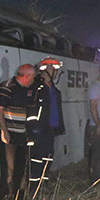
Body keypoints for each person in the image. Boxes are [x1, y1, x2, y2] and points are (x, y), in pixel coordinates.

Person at [0, 64, 36, 200]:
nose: (34, 79)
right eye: (33, 76)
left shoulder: (29, 90)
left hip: (22, 134)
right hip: (9, 135)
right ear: (26, 76)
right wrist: (4, 131)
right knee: (9, 169)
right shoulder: (6, 87)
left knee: (21, 168)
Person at [26, 57, 65, 189]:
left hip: (50, 129)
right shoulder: (36, 87)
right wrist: (33, 130)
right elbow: (31, 109)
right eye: (55, 70)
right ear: (48, 69)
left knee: (48, 157)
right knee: (36, 159)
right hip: (38, 130)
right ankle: (34, 188)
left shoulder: (53, 88)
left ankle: (43, 184)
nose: (57, 73)